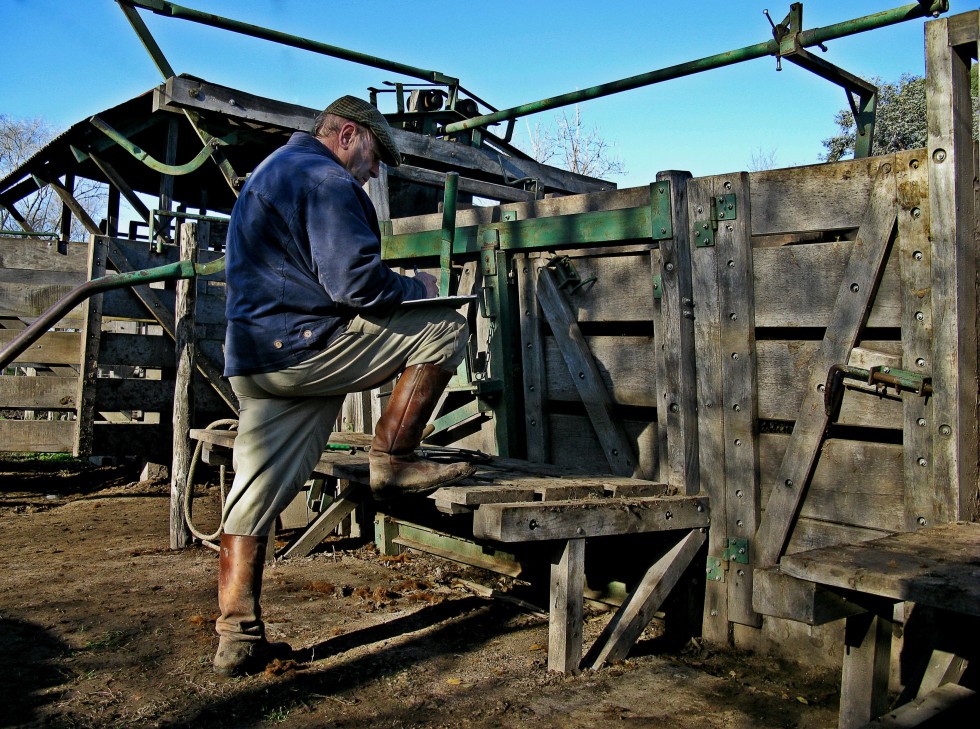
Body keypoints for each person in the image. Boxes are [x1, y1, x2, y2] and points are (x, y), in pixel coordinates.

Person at [213, 95, 475, 677]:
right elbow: (356, 283)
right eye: (378, 156)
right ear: (349, 134)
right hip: (304, 347)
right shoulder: (325, 178)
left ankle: (237, 636)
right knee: (445, 327)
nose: (377, 171)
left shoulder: (269, 173)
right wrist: (422, 284)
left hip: (256, 358)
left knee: (253, 491)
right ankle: (394, 460)